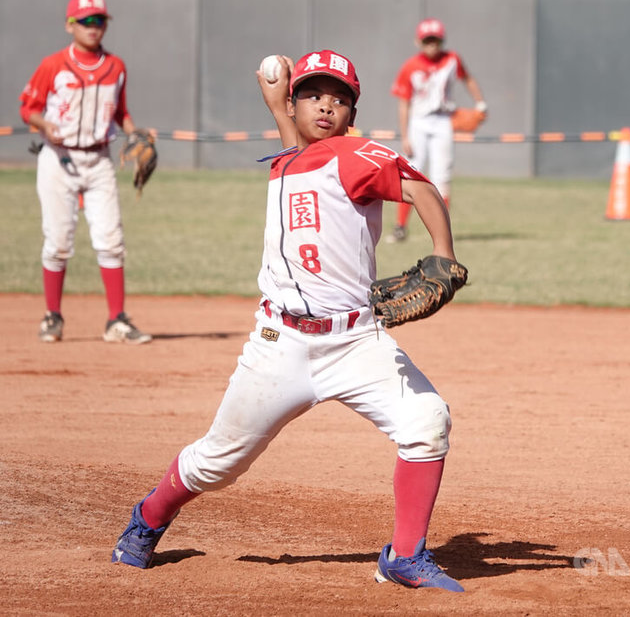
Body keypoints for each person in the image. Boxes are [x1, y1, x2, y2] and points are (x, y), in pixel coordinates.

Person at [110, 49, 466, 592]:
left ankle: (404, 555)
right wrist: (278, 100)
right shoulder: (288, 158)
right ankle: (150, 517)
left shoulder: (360, 156)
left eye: (340, 98)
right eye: (314, 95)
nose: (327, 105)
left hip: (354, 341)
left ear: (353, 113)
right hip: (280, 345)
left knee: (427, 421)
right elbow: (297, 141)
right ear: (295, 104)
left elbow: (420, 188)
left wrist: (442, 254)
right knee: (217, 466)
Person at [19, 0, 152, 344]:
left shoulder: (116, 67)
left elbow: (120, 114)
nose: (94, 27)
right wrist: (44, 125)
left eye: (100, 21)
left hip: (98, 159)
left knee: (111, 239)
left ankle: (117, 321)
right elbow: (28, 107)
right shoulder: (52, 65)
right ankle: (52, 316)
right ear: (70, 25)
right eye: (87, 21)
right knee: (58, 241)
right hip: (58, 158)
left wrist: (134, 134)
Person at [387, 17, 487, 242]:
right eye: (427, 40)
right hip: (419, 122)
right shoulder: (410, 66)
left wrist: (480, 103)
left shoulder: (452, 59)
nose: (432, 45)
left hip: (443, 120)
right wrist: (405, 135)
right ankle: (400, 226)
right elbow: (404, 102)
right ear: (418, 41)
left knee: (442, 175)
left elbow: (467, 78)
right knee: (411, 172)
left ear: (442, 40)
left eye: (436, 40)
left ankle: (442, 231)